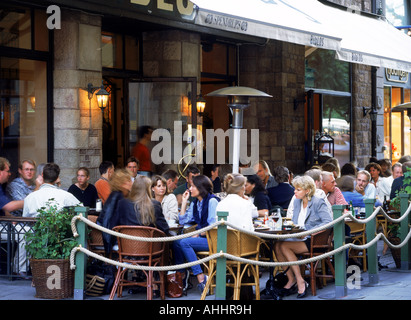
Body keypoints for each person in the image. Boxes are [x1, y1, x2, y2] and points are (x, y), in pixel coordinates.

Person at [274, 175, 332, 299]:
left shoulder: (317, 201)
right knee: (277, 245)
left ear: (307, 191)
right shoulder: (296, 201)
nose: (294, 191)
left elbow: (328, 222)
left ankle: (300, 281)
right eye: (295, 189)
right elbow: (295, 222)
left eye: (298, 189)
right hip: (298, 237)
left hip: (314, 240)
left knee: (284, 246)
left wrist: (308, 232)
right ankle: (291, 279)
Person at [172, 175, 219, 294]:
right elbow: (183, 221)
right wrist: (184, 202)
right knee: (176, 242)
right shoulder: (195, 203)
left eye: (193, 186)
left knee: (184, 242)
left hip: (213, 240)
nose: (190, 189)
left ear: (201, 187)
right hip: (202, 237)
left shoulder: (212, 201)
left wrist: (199, 234)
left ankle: (201, 278)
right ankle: (182, 276)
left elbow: (213, 226)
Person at [97, 169, 133, 256]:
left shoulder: (115, 195)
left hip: (110, 238)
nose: (131, 183)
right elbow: (109, 221)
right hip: (116, 241)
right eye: (129, 180)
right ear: (122, 183)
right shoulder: (119, 198)